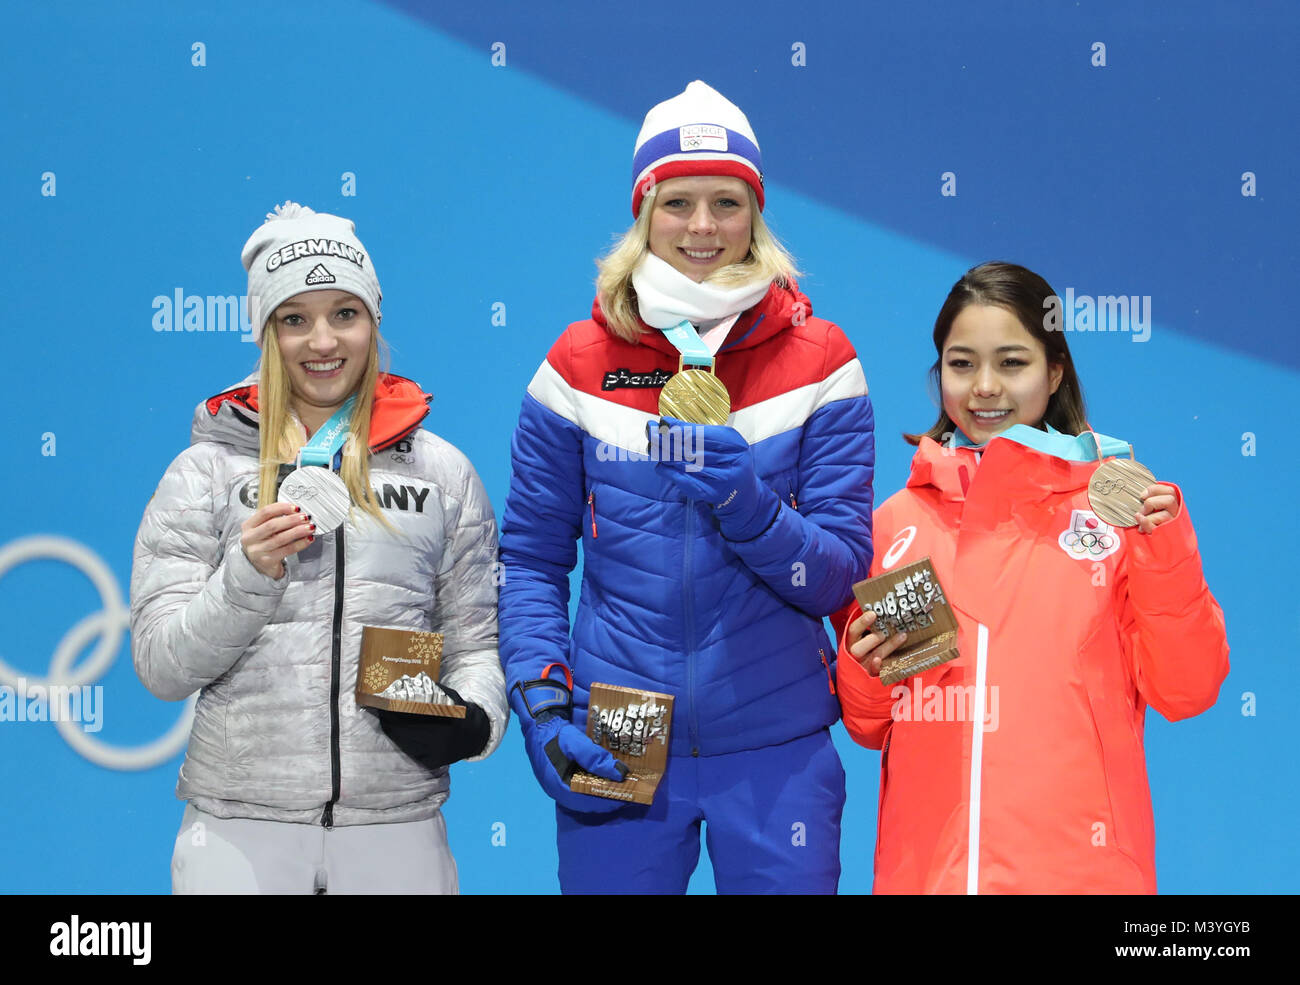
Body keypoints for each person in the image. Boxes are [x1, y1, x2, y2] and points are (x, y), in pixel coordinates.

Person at [498, 81, 875, 894]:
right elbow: (529, 557)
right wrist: (542, 702)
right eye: (678, 203)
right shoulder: (577, 364)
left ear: (756, 213)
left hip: (778, 746)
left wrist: (747, 504)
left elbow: (840, 572)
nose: (703, 227)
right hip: (620, 738)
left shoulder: (822, 361)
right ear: (643, 212)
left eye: (726, 202)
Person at [131, 203, 507, 894]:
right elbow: (161, 666)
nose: (322, 340)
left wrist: (471, 721)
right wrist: (247, 573)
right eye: (293, 318)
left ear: (374, 320)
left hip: (397, 828)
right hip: (238, 830)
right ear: (265, 331)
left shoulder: (442, 474)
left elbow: (476, 647)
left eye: (344, 312)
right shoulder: (206, 473)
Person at [834, 260, 1229, 894]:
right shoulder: (898, 523)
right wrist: (863, 665)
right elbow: (870, 726)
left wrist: (1166, 551)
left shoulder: (1120, 517)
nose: (984, 386)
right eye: (962, 364)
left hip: (1081, 875)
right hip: (928, 876)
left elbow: (1187, 690)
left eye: (1012, 362)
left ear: (1055, 371)